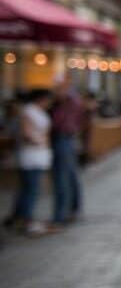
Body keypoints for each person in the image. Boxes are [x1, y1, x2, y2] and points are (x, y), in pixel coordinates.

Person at [9, 89, 54, 232]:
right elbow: (26, 133)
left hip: (38, 154)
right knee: (31, 189)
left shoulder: (36, 112)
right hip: (31, 154)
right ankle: (25, 219)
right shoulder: (28, 112)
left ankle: (17, 217)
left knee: (28, 188)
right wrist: (41, 141)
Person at [50, 75, 85, 223]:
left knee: (63, 177)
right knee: (69, 176)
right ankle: (72, 209)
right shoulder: (72, 100)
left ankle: (62, 214)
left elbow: (59, 123)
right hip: (66, 139)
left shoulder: (68, 101)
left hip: (63, 138)